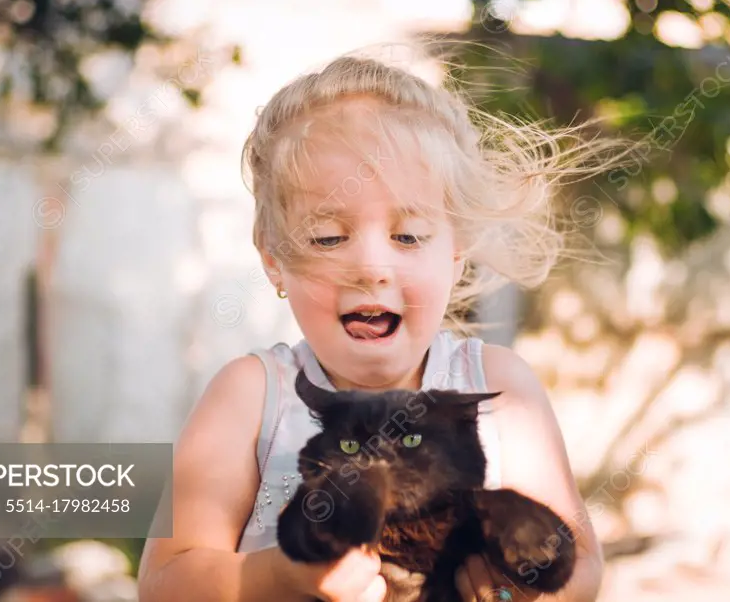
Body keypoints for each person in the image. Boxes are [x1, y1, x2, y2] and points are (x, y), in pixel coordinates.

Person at [137, 48, 617, 602]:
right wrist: (278, 576)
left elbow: (583, 564)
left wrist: (530, 591)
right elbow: (163, 582)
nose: (370, 267)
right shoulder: (251, 396)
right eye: (327, 237)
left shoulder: (500, 389)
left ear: (456, 251)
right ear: (274, 258)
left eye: (408, 236)